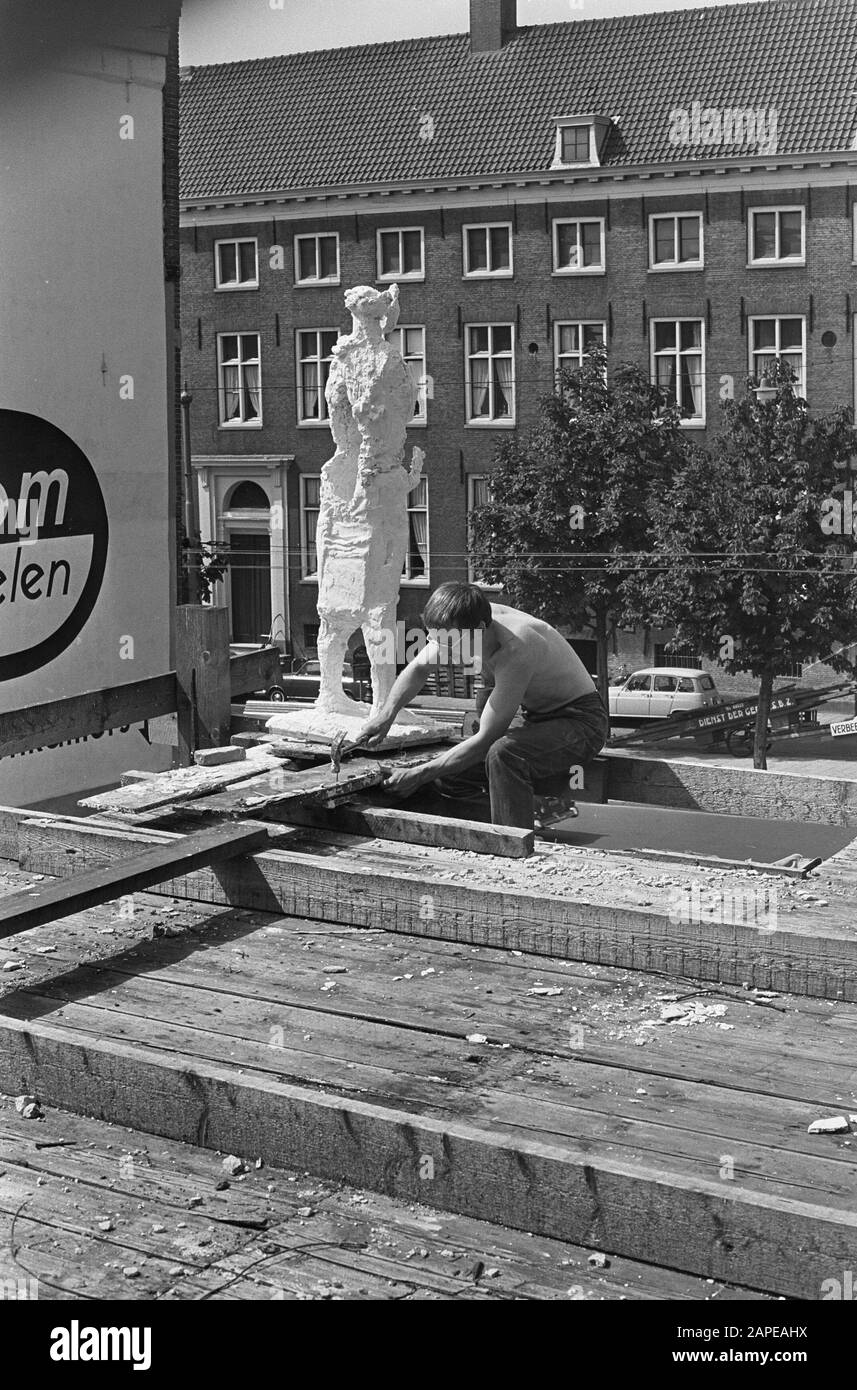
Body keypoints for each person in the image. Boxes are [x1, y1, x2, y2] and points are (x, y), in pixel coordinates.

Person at [348, 582, 608, 830]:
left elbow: (486, 740)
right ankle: (511, 823)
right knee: (448, 775)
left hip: (582, 723)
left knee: (505, 755)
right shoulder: (461, 622)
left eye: (450, 643)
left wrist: (417, 773)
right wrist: (386, 715)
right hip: (538, 718)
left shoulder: (517, 647)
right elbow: (418, 669)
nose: (444, 649)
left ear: (481, 628)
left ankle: (513, 845)